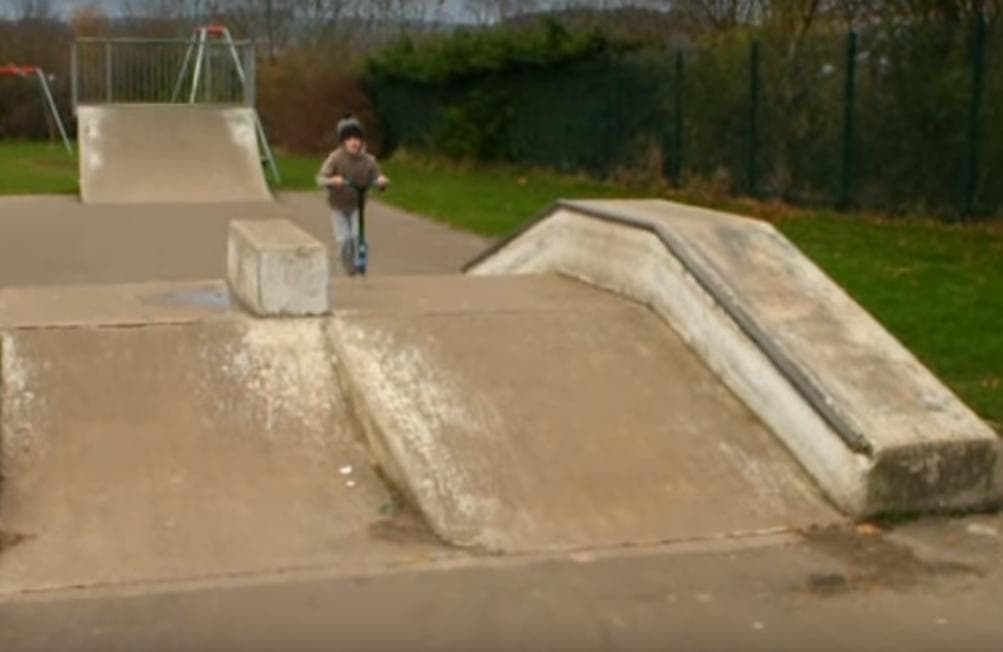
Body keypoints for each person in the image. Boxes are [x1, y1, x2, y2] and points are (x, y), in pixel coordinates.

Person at [316, 115, 389, 275]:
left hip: (358, 205)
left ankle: (361, 259)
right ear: (343, 142)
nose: (354, 142)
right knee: (344, 240)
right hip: (337, 205)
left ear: (362, 141)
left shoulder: (369, 160)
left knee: (357, 236)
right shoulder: (335, 158)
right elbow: (320, 179)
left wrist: (381, 182)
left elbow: (377, 177)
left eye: (357, 139)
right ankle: (348, 265)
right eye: (349, 139)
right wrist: (332, 180)